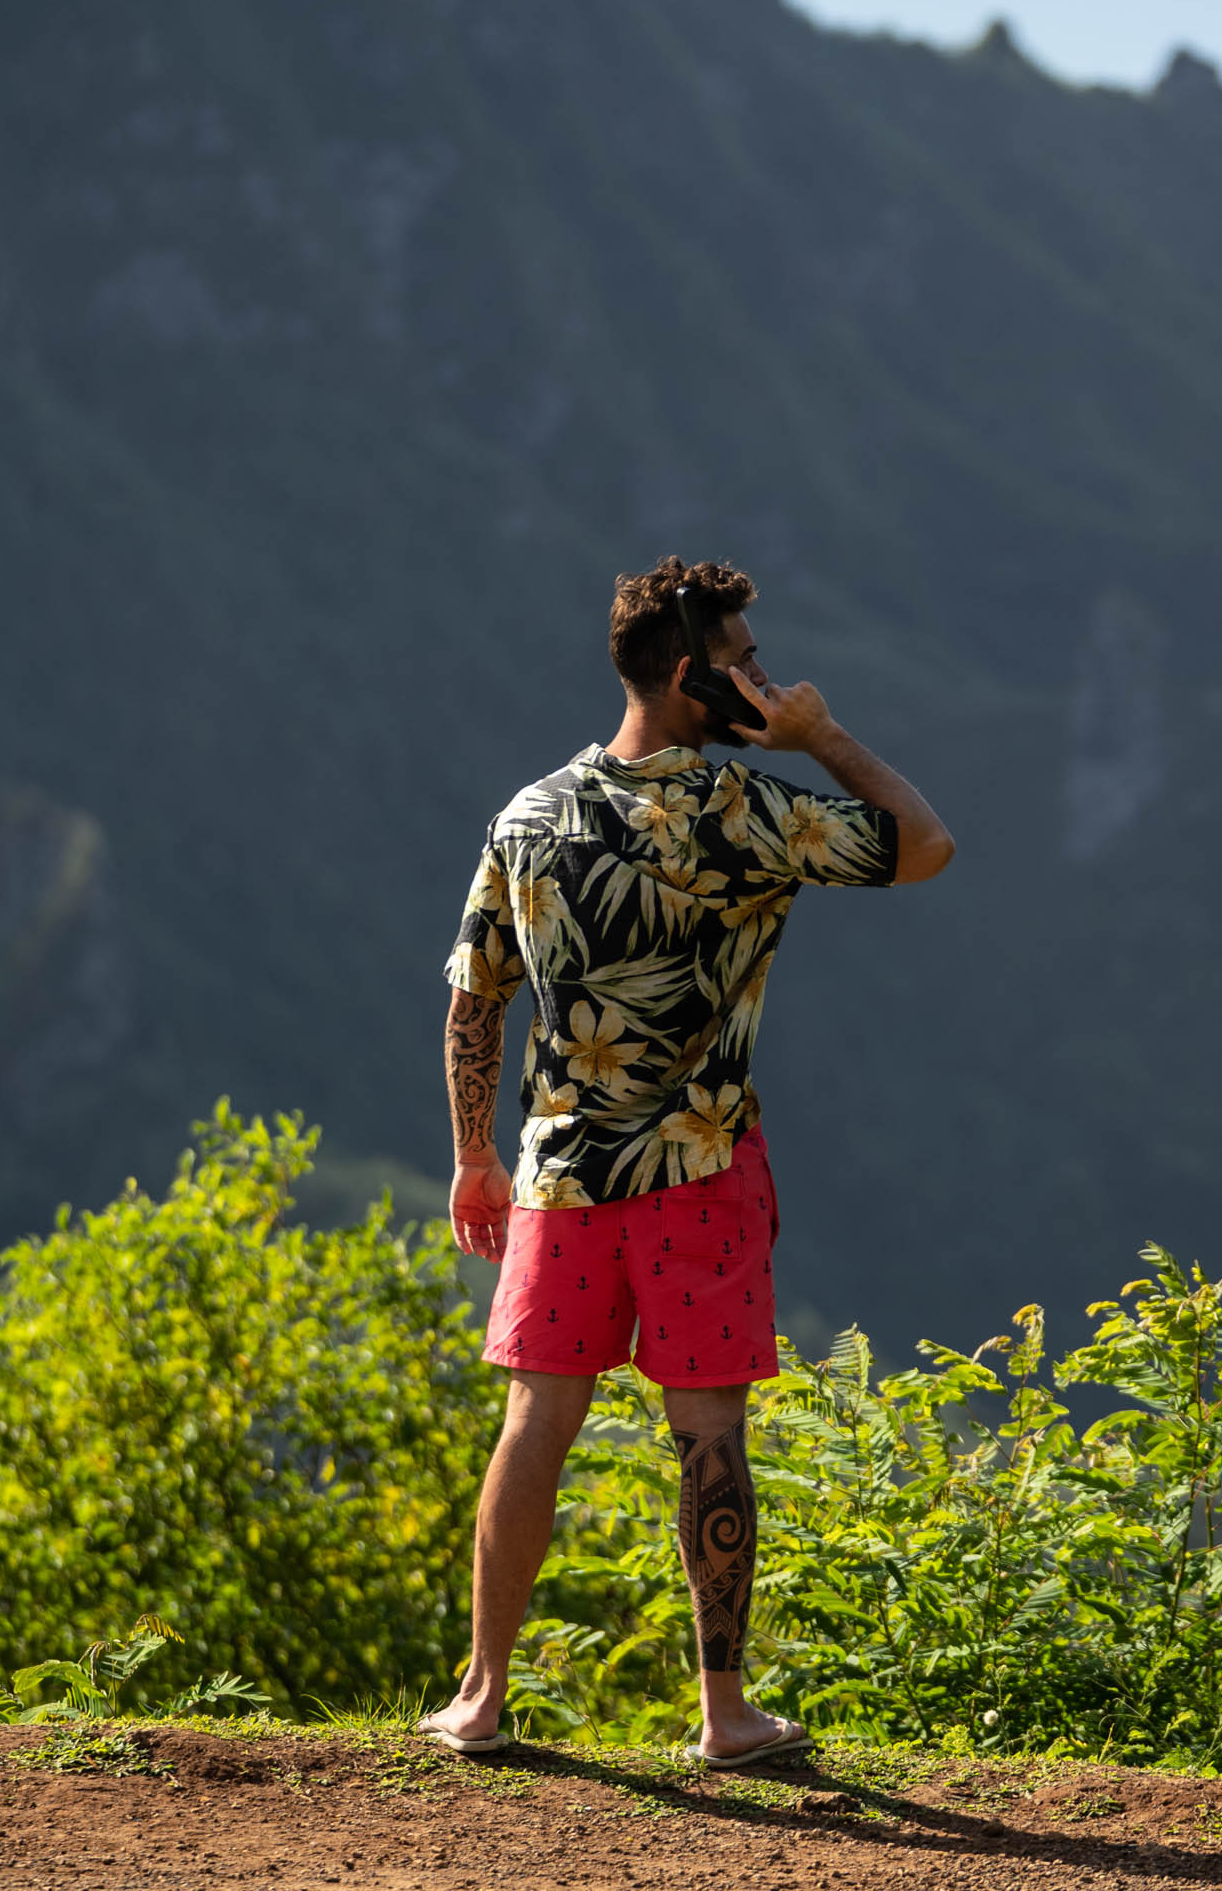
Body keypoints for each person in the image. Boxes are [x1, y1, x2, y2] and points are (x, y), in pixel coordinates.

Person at [418, 555, 954, 1767]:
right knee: (707, 1434)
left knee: (533, 1424)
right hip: (700, 1171)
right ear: (681, 671)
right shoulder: (741, 809)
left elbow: (472, 999)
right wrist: (819, 736)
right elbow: (925, 843)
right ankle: (722, 1715)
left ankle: (481, 1695)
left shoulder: (528, 813)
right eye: (744, 660)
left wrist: (471, 1152)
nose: (764, 677)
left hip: (556, 1174)